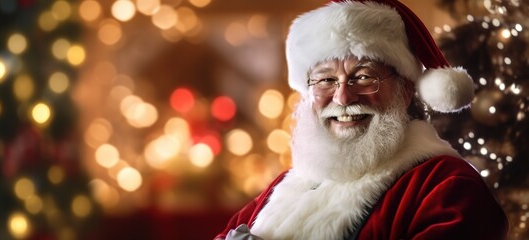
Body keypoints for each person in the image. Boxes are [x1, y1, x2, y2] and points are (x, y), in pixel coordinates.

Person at [215, 0, 509, 239]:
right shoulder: (289, 183)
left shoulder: (446, 186)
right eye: (326, 79)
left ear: (406, 89)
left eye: (364, 77)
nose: (343, 98)